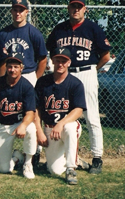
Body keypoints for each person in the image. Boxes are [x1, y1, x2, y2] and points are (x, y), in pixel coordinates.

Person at [46, 0, 111, 174]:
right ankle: (65, 156)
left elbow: (105, 55)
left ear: (85, 9)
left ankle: (97, 157)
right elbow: (50, 51)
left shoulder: (93, 28)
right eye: (73, 6)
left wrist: (93, 70)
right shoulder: (59, 29)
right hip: (64, 75)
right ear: (68, 8)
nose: (76, 9)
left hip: (86, 72)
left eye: (79, 6)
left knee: (91, 116)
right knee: (61, 113)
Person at [34, 48, 86, 185]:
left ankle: (71, 168)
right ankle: (75, 158)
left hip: (67, 126)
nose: (60, 64)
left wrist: (61, 123)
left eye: (64, 61)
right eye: (58, 60)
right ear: (53, 61)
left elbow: (79, 110)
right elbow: (36, 109)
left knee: (70, 127)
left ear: (69, 62)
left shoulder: (75, 83)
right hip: (50, 130)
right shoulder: (43, 82)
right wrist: (39, 131)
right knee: (54, 170)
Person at [0, 53, 38, 179]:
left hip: (18, 123)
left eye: (16, 67)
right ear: (6, 67)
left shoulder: (27, 86)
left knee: (31, 128)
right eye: (10, 67)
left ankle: (27, 163)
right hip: (1, 125)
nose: (12, 70)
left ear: (21, 68)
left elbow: (31, 112)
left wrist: (23, 125)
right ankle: (16, 158)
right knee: (3, 169)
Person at [0, 0, 47, 86]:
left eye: (21, 10)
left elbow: (43, 59)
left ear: (26, 12)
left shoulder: (34, 33)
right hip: (9, 74)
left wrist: (36, 78)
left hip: (27, 74)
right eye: (15, 10)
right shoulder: (3, 33)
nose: (18, 13)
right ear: (11, 11)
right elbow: (1, 61)